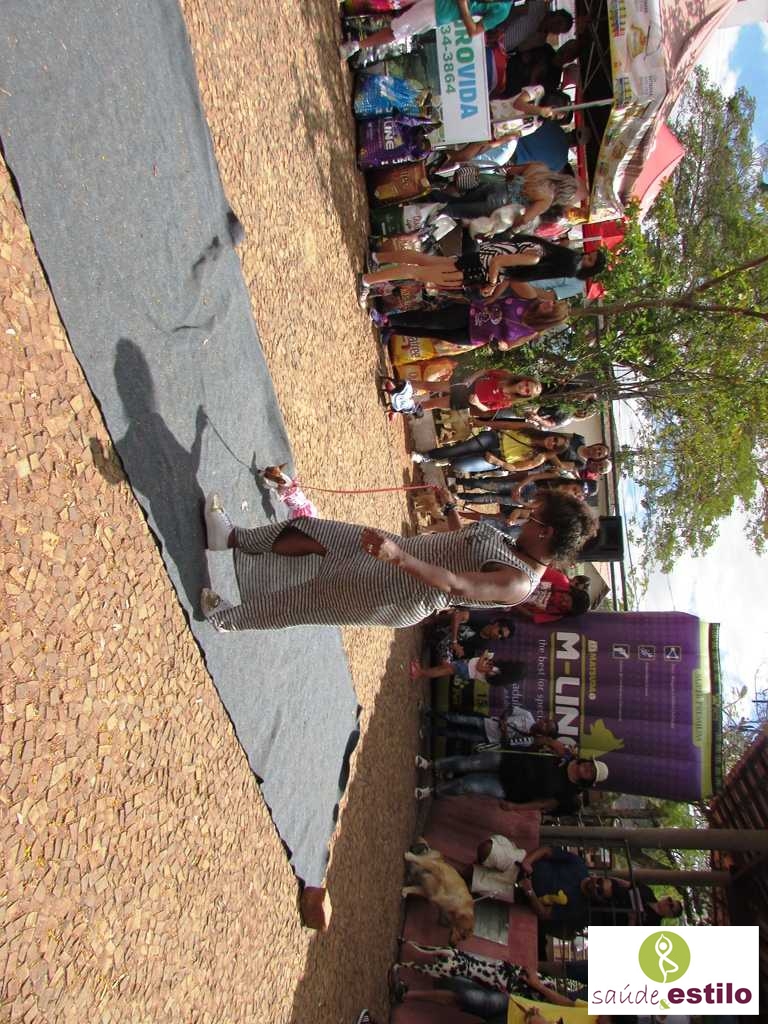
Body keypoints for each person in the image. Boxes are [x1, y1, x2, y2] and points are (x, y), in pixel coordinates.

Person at [199, 488, 597, 632]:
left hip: (397, 589)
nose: (526, 518)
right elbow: (462, 545)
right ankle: (231, 538)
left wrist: (399, 558)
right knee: (314, 531)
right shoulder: (517, 547)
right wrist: (450, 510)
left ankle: (226, 620)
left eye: (534, 517)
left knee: (304, 602)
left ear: (546, 532)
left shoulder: (519, 582)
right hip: (397, 553)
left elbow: (454, 584)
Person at [375, 281, 569, 352]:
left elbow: (509, 345)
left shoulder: (532, 332)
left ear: (550, 318)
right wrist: (494, 296)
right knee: (432, 321)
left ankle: (393, 330)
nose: (549, 303)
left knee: (432, 333)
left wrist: (502, 345)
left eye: (552, 307)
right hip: (472, 313)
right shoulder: (530, 298)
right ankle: (389, 319)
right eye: (553, 302)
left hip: (474, 337)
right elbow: (512, 279)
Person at [414, 752, 608, 809]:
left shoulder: (569, 792)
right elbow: (540, 742)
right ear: (587, 761)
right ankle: (432, 764)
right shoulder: (565, 755)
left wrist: (517, 807)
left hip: (511, 789)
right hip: (510, 761)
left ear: (587, 781)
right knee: (468, 763)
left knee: (469, 785)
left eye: (590, 773)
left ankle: (433, 791)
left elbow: (543, 803)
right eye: (590, 766)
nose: (587, 769)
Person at [340, 0, 515, 60]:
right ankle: (352, 6)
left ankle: (356, 46)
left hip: (440, 12)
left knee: (397, 30)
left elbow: (474, 31)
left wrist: (462, 6)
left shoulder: (503, 10)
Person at [411, 424, 571, 475]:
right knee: (461, 448)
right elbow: (506, 425)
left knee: (459, 466)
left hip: (499, 458)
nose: (552, 442)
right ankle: (426, 456)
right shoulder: (531, 428)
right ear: (553, 434)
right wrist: (482, 422)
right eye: (555, 439)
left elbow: (515, 468)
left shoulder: (540, 457)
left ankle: (450, 460)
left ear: (554, 450)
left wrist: (497, 462)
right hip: (495, 438)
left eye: (555, 446)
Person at [423, 705, 568, 752]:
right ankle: (430, 712)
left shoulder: (530, 740)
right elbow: (510, 709)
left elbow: (507, 745)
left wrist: (504, 732)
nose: (543, 723)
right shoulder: (528, 715)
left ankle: (430, 731)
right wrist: (504, 719)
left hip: (488, 738)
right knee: (457, 718)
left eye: (546, 727)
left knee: (457, 734)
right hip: (487, 722)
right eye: (546, 721)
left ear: (545, 733)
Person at [412, 370, 542, 413]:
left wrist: (477, 403)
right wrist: (471, 378)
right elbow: (485, 371)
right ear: (525, 380)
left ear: (525, 395)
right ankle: (403, 385)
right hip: (465, 386)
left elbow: (487, 409)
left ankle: (405, 408)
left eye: (527, 390)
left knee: (433, 404)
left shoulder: (507, 401)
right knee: (429, 386)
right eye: (527, 384)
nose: (524, 387)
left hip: (466, 400)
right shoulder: (505, 375)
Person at [513, 565, 591, 623]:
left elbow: (531, 615)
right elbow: (536, 569)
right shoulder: (561, 580)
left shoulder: (557, 614)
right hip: (517, 577)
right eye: (567, 600)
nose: (563, 603)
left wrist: (514, 603)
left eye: (566, 607)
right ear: (571, 592)